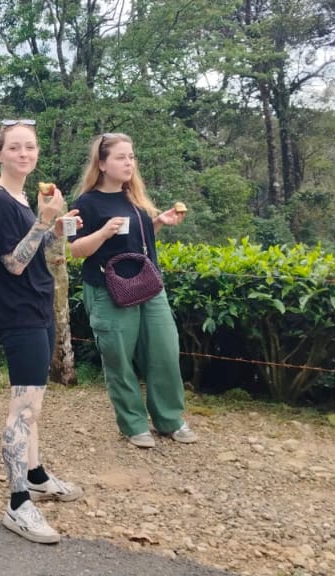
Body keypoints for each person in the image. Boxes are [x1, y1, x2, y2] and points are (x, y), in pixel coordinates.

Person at [0, 119, 83, 545]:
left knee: (33, 405)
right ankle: (18, 503)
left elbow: (43, 254)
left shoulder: (21, 199)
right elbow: (14, 263)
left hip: (37, 307)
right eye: (15, 147)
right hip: (17, 313)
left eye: (30, 147)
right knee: (23, 408)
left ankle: (36, 476)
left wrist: (54, 227)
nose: (24, 154)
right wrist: (43, 222)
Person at [68, 132, 197, 449]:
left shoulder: (135, 198)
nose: (129, 163)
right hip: (107, 291)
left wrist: (159, 222)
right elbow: (76, 250)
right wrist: (103, 231)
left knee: (164, 352)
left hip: (148, 286)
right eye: (121, 157)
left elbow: (136, 242)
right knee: (120, 361)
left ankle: (170, 420)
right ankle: (133, 424)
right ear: (102, 164)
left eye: (131, 156)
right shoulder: (86, 203)